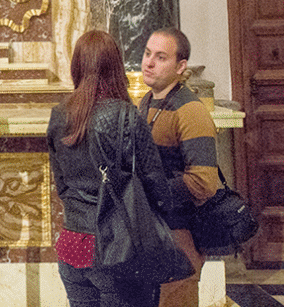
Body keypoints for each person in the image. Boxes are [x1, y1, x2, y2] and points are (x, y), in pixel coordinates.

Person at [47, 30, 173, 307]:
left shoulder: (59, 114)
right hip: (118, 246)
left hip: (72, 243)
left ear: (76, 66)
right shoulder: (126, 116)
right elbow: (155, 186)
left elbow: (62, 184)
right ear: (115, 67)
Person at [140, 27, 220, 307]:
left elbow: (204, 182)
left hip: (179, 237)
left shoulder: (190, 110)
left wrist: (146, 190)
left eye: (161, 57)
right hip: (153, 233)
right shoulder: (148, 101)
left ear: (180, 66)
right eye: (148, 53)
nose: (149, 62)